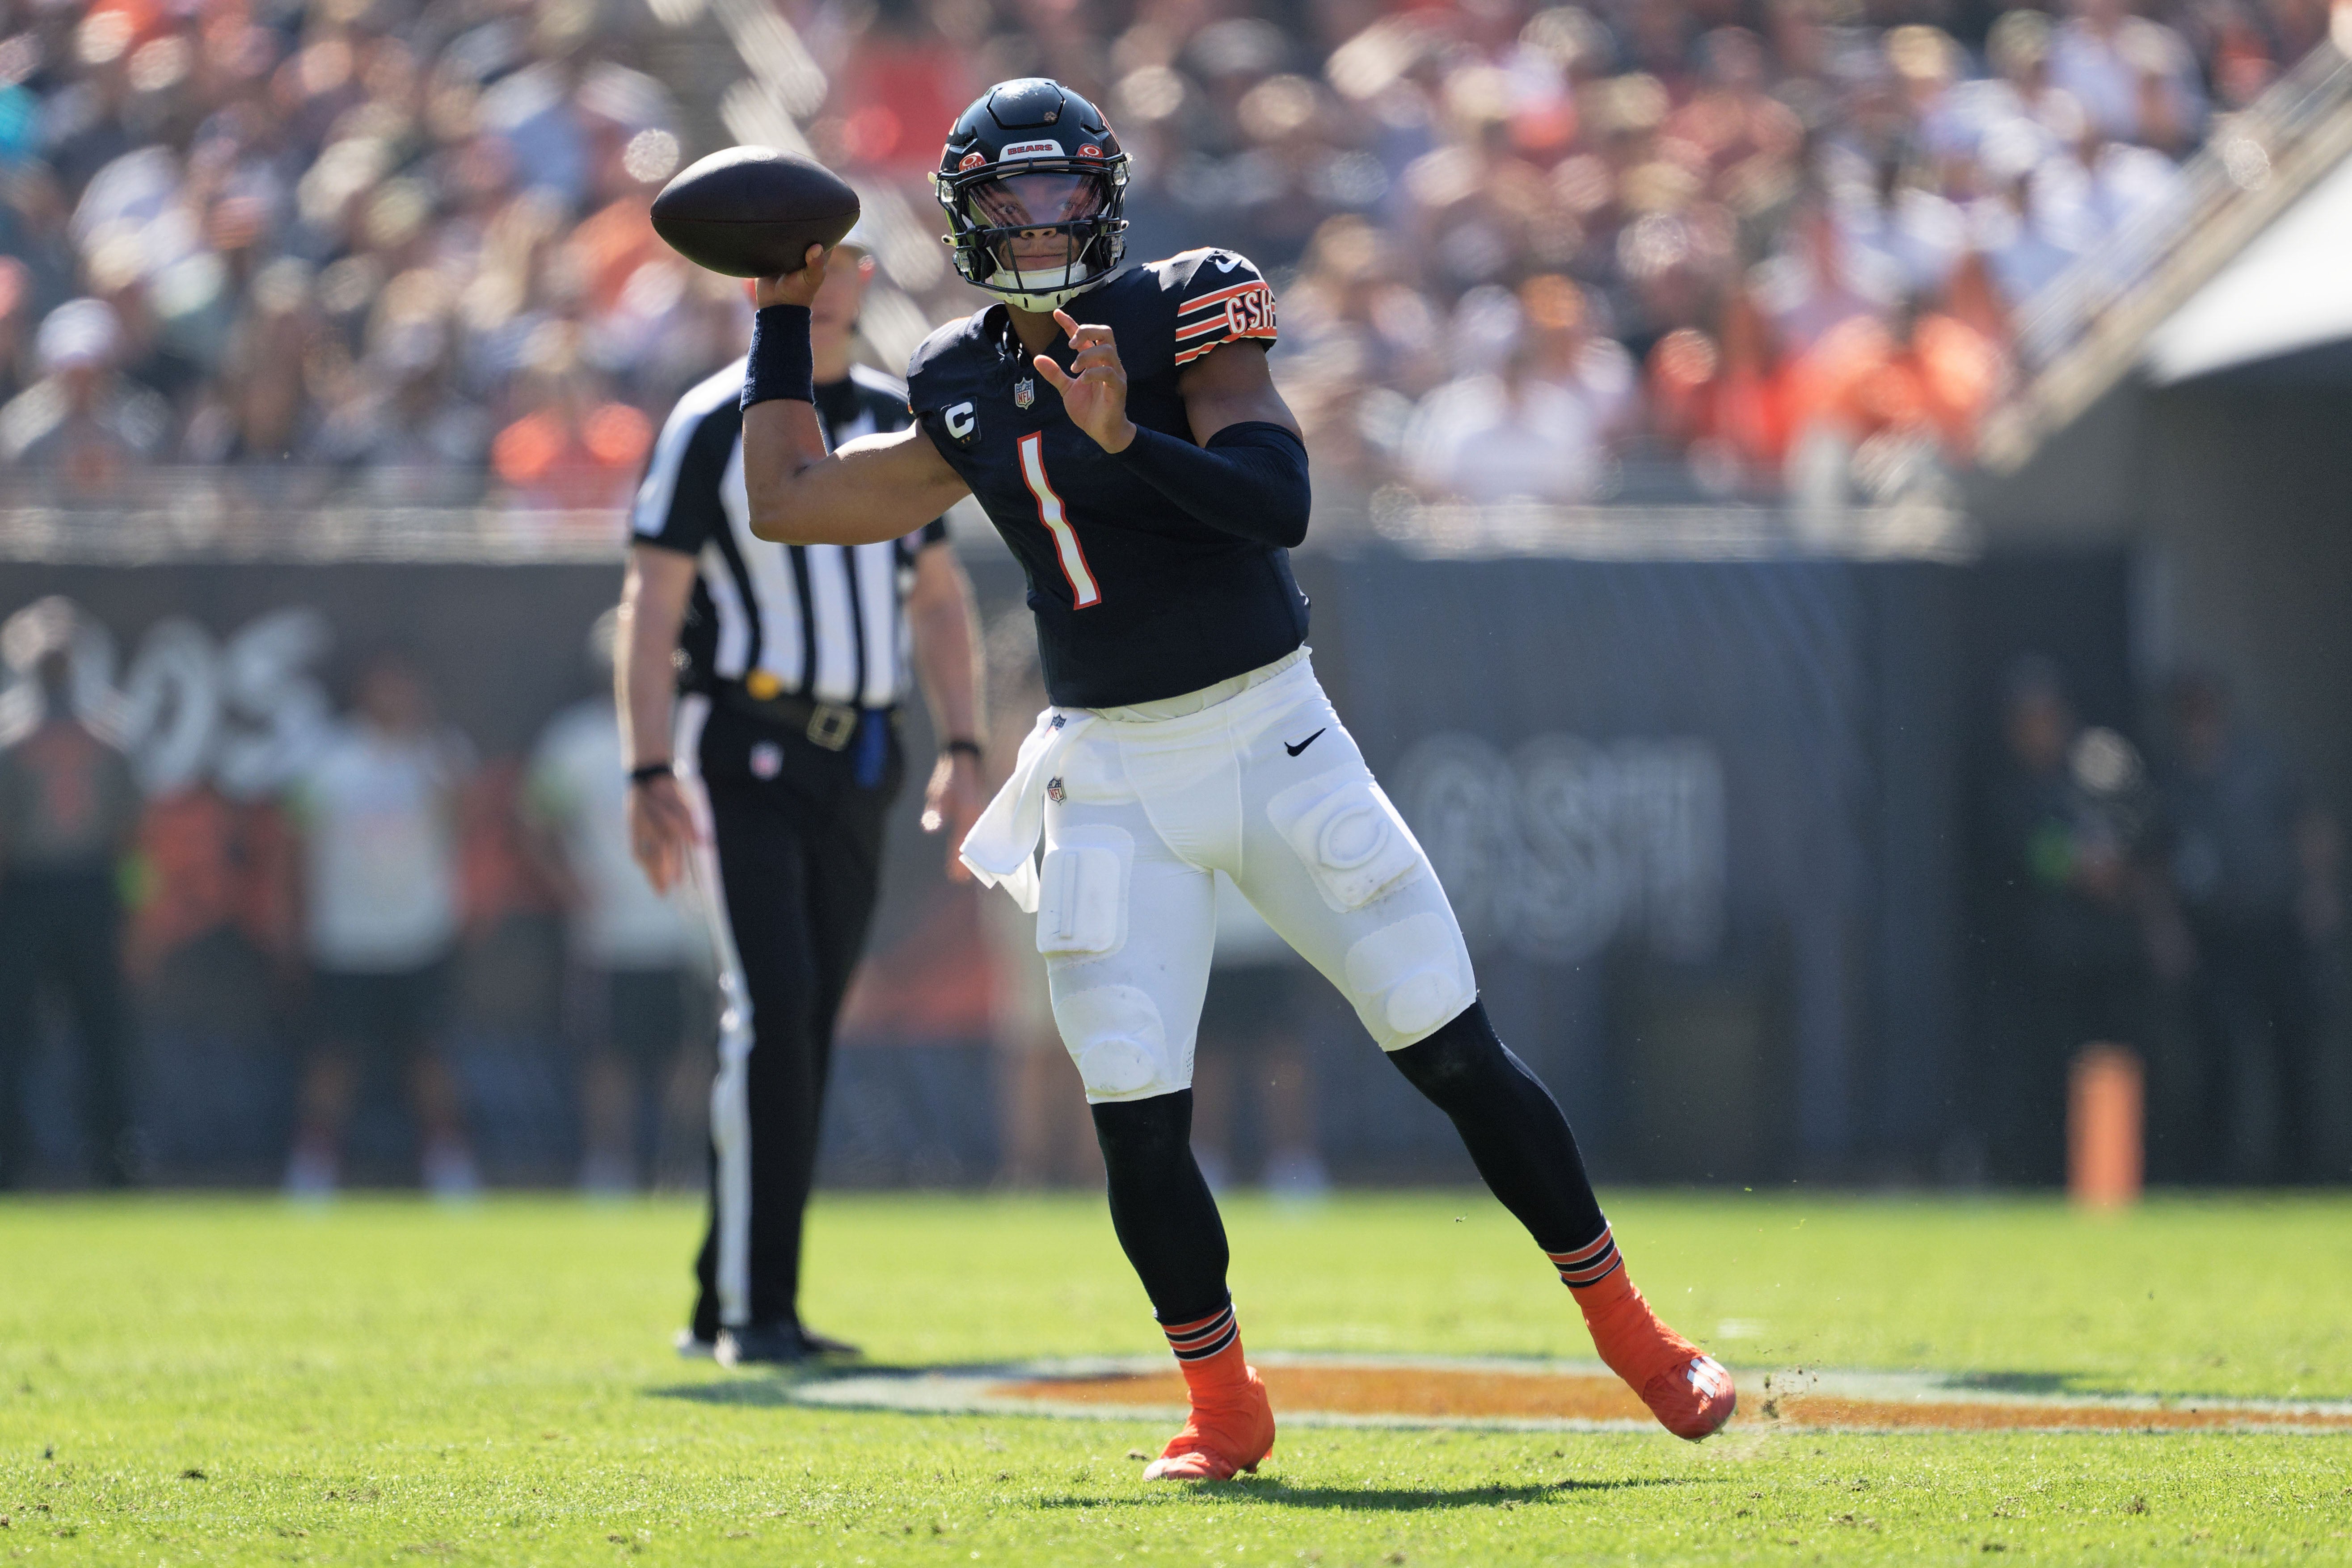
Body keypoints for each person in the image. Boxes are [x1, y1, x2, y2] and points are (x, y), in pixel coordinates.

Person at [734, 77, 1734, 1480]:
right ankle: (1223, 1403)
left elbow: (1277, 496)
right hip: (1109, 775)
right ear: (962, 217)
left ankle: (1634, 1334)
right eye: (1006, 199)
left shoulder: (1187, 300)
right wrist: (780, 315)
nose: (1034, 222)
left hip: (1272, 734)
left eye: (1058, 192)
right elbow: (791, 497)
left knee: (1450, 1048)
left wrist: (1118, 440)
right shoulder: (958, 377)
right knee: (1136, 1117)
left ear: (1105, 200)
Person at [620, 231, 986, 1366]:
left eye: (843, 261)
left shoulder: (893, 414)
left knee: (808, 1023)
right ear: (763, 281)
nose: (826, 285)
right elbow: (652, 599)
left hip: (861, 753)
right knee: (774, 1013)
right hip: (746, 744)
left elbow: (935, 593)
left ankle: (722, 1289)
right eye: (802, 262)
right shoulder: (708, 420)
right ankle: (750, 1309)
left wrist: (963, 739)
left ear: (864, 277)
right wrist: (646, 766)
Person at [282, 650, 481, 1199]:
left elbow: (462, 820)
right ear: (363, 691)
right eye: (384, 686)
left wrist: (428, 746)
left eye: (404, 686)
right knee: (332, 1061)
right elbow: (292, 845)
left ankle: (451, 1169)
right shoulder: (324, 759)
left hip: (419, 936)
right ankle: (312, 1172)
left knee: (429, 1058)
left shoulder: (442, 754)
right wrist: (291, 922)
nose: (394, 697)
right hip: (343, 938)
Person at [524, 610, 708, 1193]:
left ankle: (681, 1165)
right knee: (609, 1056)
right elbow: (534, 824)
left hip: (688, 929)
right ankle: (610, 1165)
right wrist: (569, 886)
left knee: (692, 1051)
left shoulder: (691, 729)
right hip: (608, 933)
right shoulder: (573, 741)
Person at [2155, 672, 2339, 1181]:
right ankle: (2217, 1170)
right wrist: (2167, 931)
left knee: (2294, 1051)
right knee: (2218, 1056)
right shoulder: (2171, 780)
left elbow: (2310, 825)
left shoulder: (2264, 763)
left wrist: (2319, 890)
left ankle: (2303, 1168)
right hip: (2215, 938)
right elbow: (2157, 863)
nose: (2199, 725)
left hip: (2276, 929)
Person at [0, 601, 144, 1187]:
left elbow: (133, 840)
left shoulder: (111, 737)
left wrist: (131, 909)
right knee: (12, 1031)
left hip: (90, 888)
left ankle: (112, 1155)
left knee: (103, 1029)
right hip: (25, 889)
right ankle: (11, 1154)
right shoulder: (9, 737)